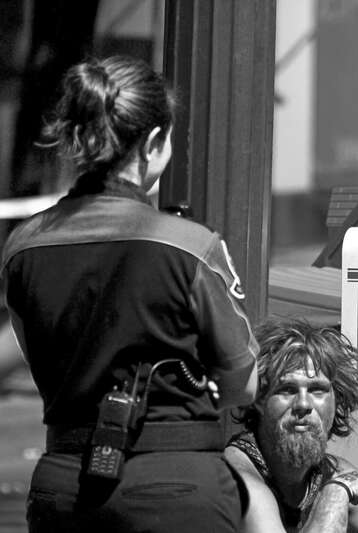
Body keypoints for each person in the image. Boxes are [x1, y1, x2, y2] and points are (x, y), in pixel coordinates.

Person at [1, 56, 259, 533]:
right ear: (155, 142)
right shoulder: (190, 245)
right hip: (178, 488)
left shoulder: (23, 247)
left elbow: (39, 362)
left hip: (63, 485)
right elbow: (243, 381)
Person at [225, 318, 358, 533]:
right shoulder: (238, 478)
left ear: (337, 400)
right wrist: (335, 495)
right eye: (287, 390)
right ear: (259, 400)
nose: (303, 404)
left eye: (317, 390)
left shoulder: (331, 473)